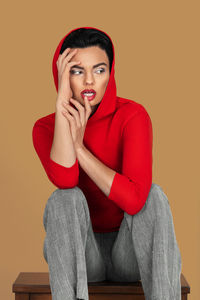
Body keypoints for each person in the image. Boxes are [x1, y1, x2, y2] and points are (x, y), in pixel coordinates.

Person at [32, 26, 182, 300]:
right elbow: (66, 180)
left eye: (99, 70)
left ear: (110, 74)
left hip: (130, 253)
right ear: (63, 75)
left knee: (154, 196)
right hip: (81, 254)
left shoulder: (132, 116)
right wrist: (63, 110)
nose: (89, 81)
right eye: (77, 71)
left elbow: (136, 200)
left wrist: (80, 148)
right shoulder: (45, 128)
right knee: (62, 199)